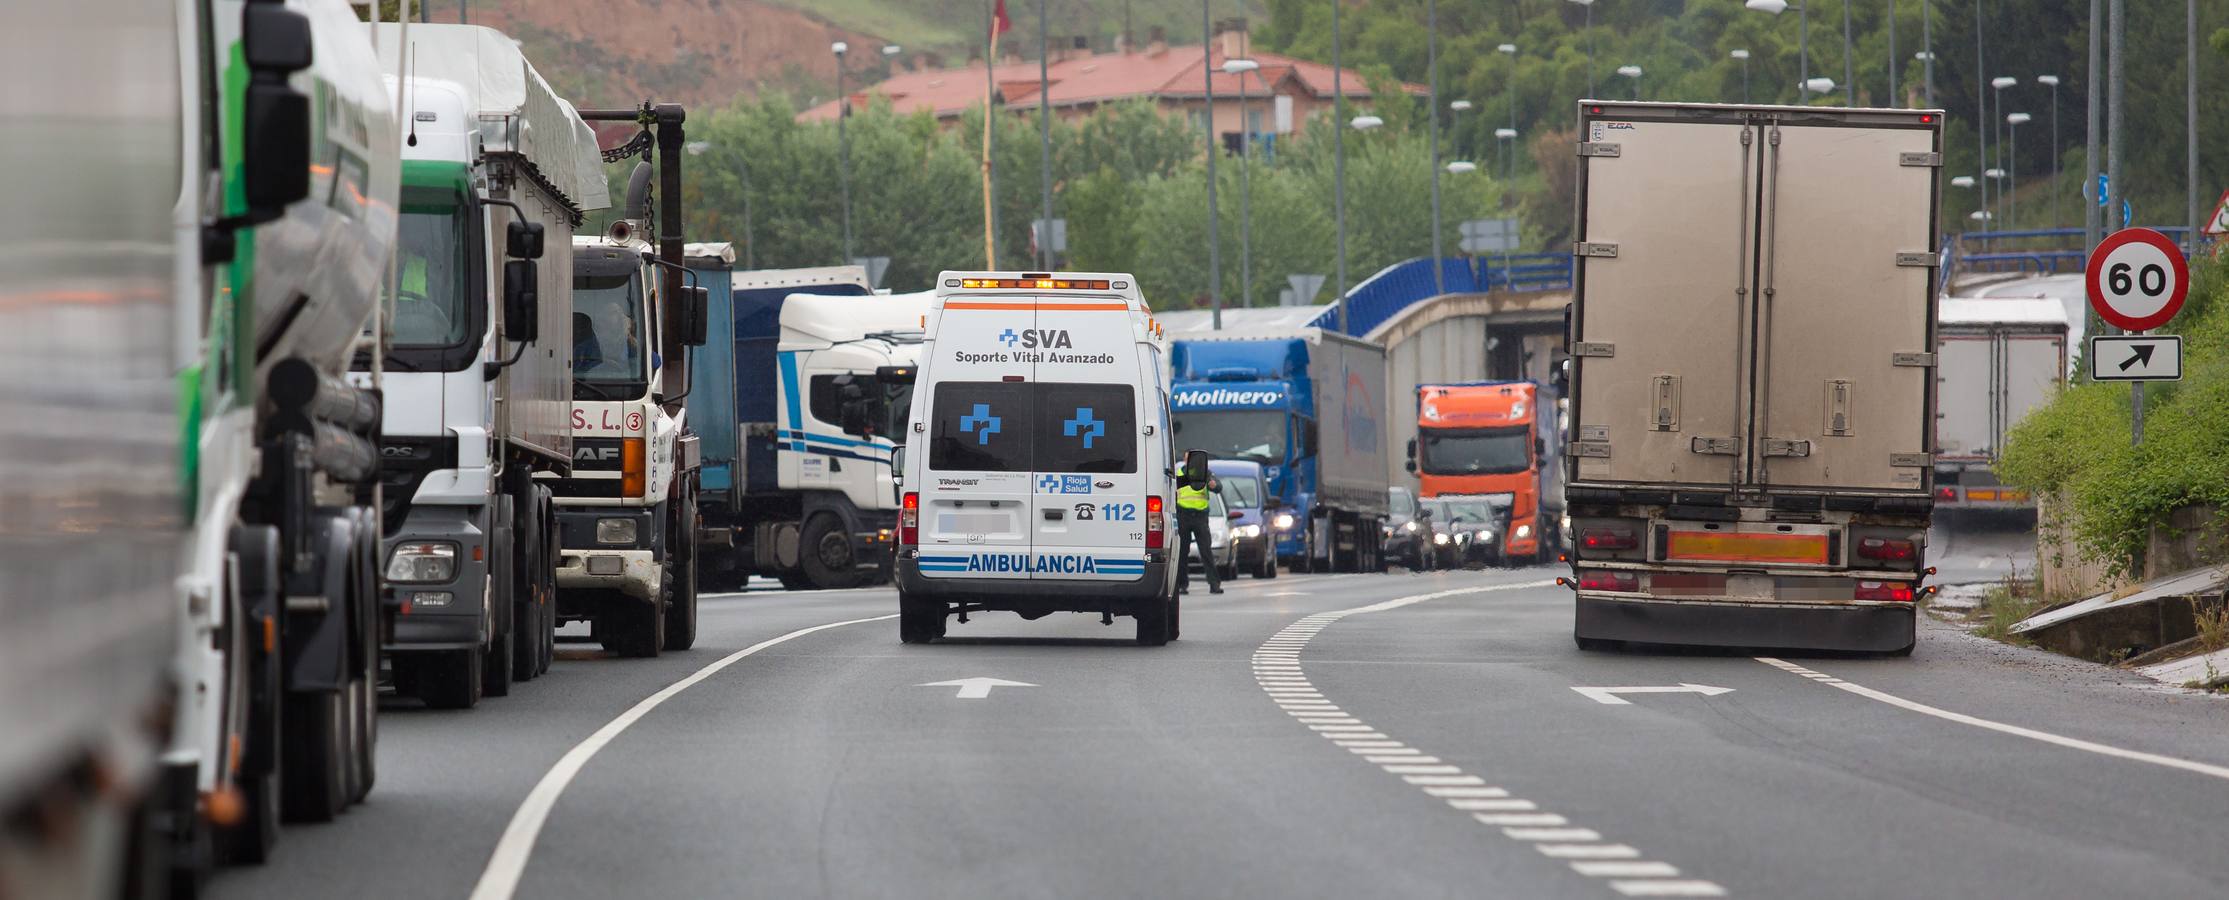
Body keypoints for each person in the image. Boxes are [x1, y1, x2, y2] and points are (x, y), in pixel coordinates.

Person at [1174, 452, 1222, 595]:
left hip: (1200, 516)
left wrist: (1213, 484)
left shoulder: (1205, 473)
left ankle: (1214, 584)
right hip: (1183, 515)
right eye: (1188, 458)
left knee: (1206, 552)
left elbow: (1218, 487)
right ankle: (1182, 585)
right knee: (1182, 552)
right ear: (1184, 460)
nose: (1190, 461)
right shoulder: (1180, 473)